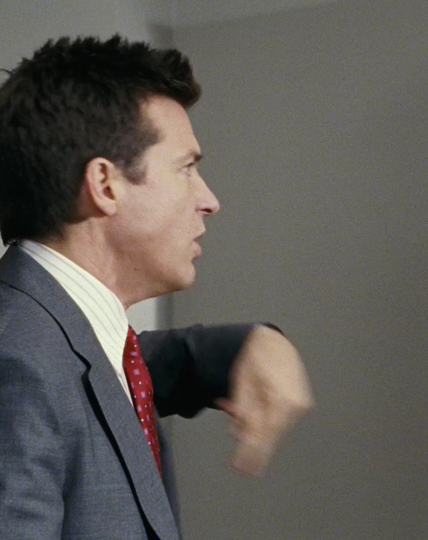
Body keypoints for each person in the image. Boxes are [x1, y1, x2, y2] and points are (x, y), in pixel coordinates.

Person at [0, 36, 314, 539]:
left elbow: (113, 369)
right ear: (105, 185)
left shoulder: (56, 340)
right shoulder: (18, 362)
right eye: (186, 168)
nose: (209, 200)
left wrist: (247, 344)